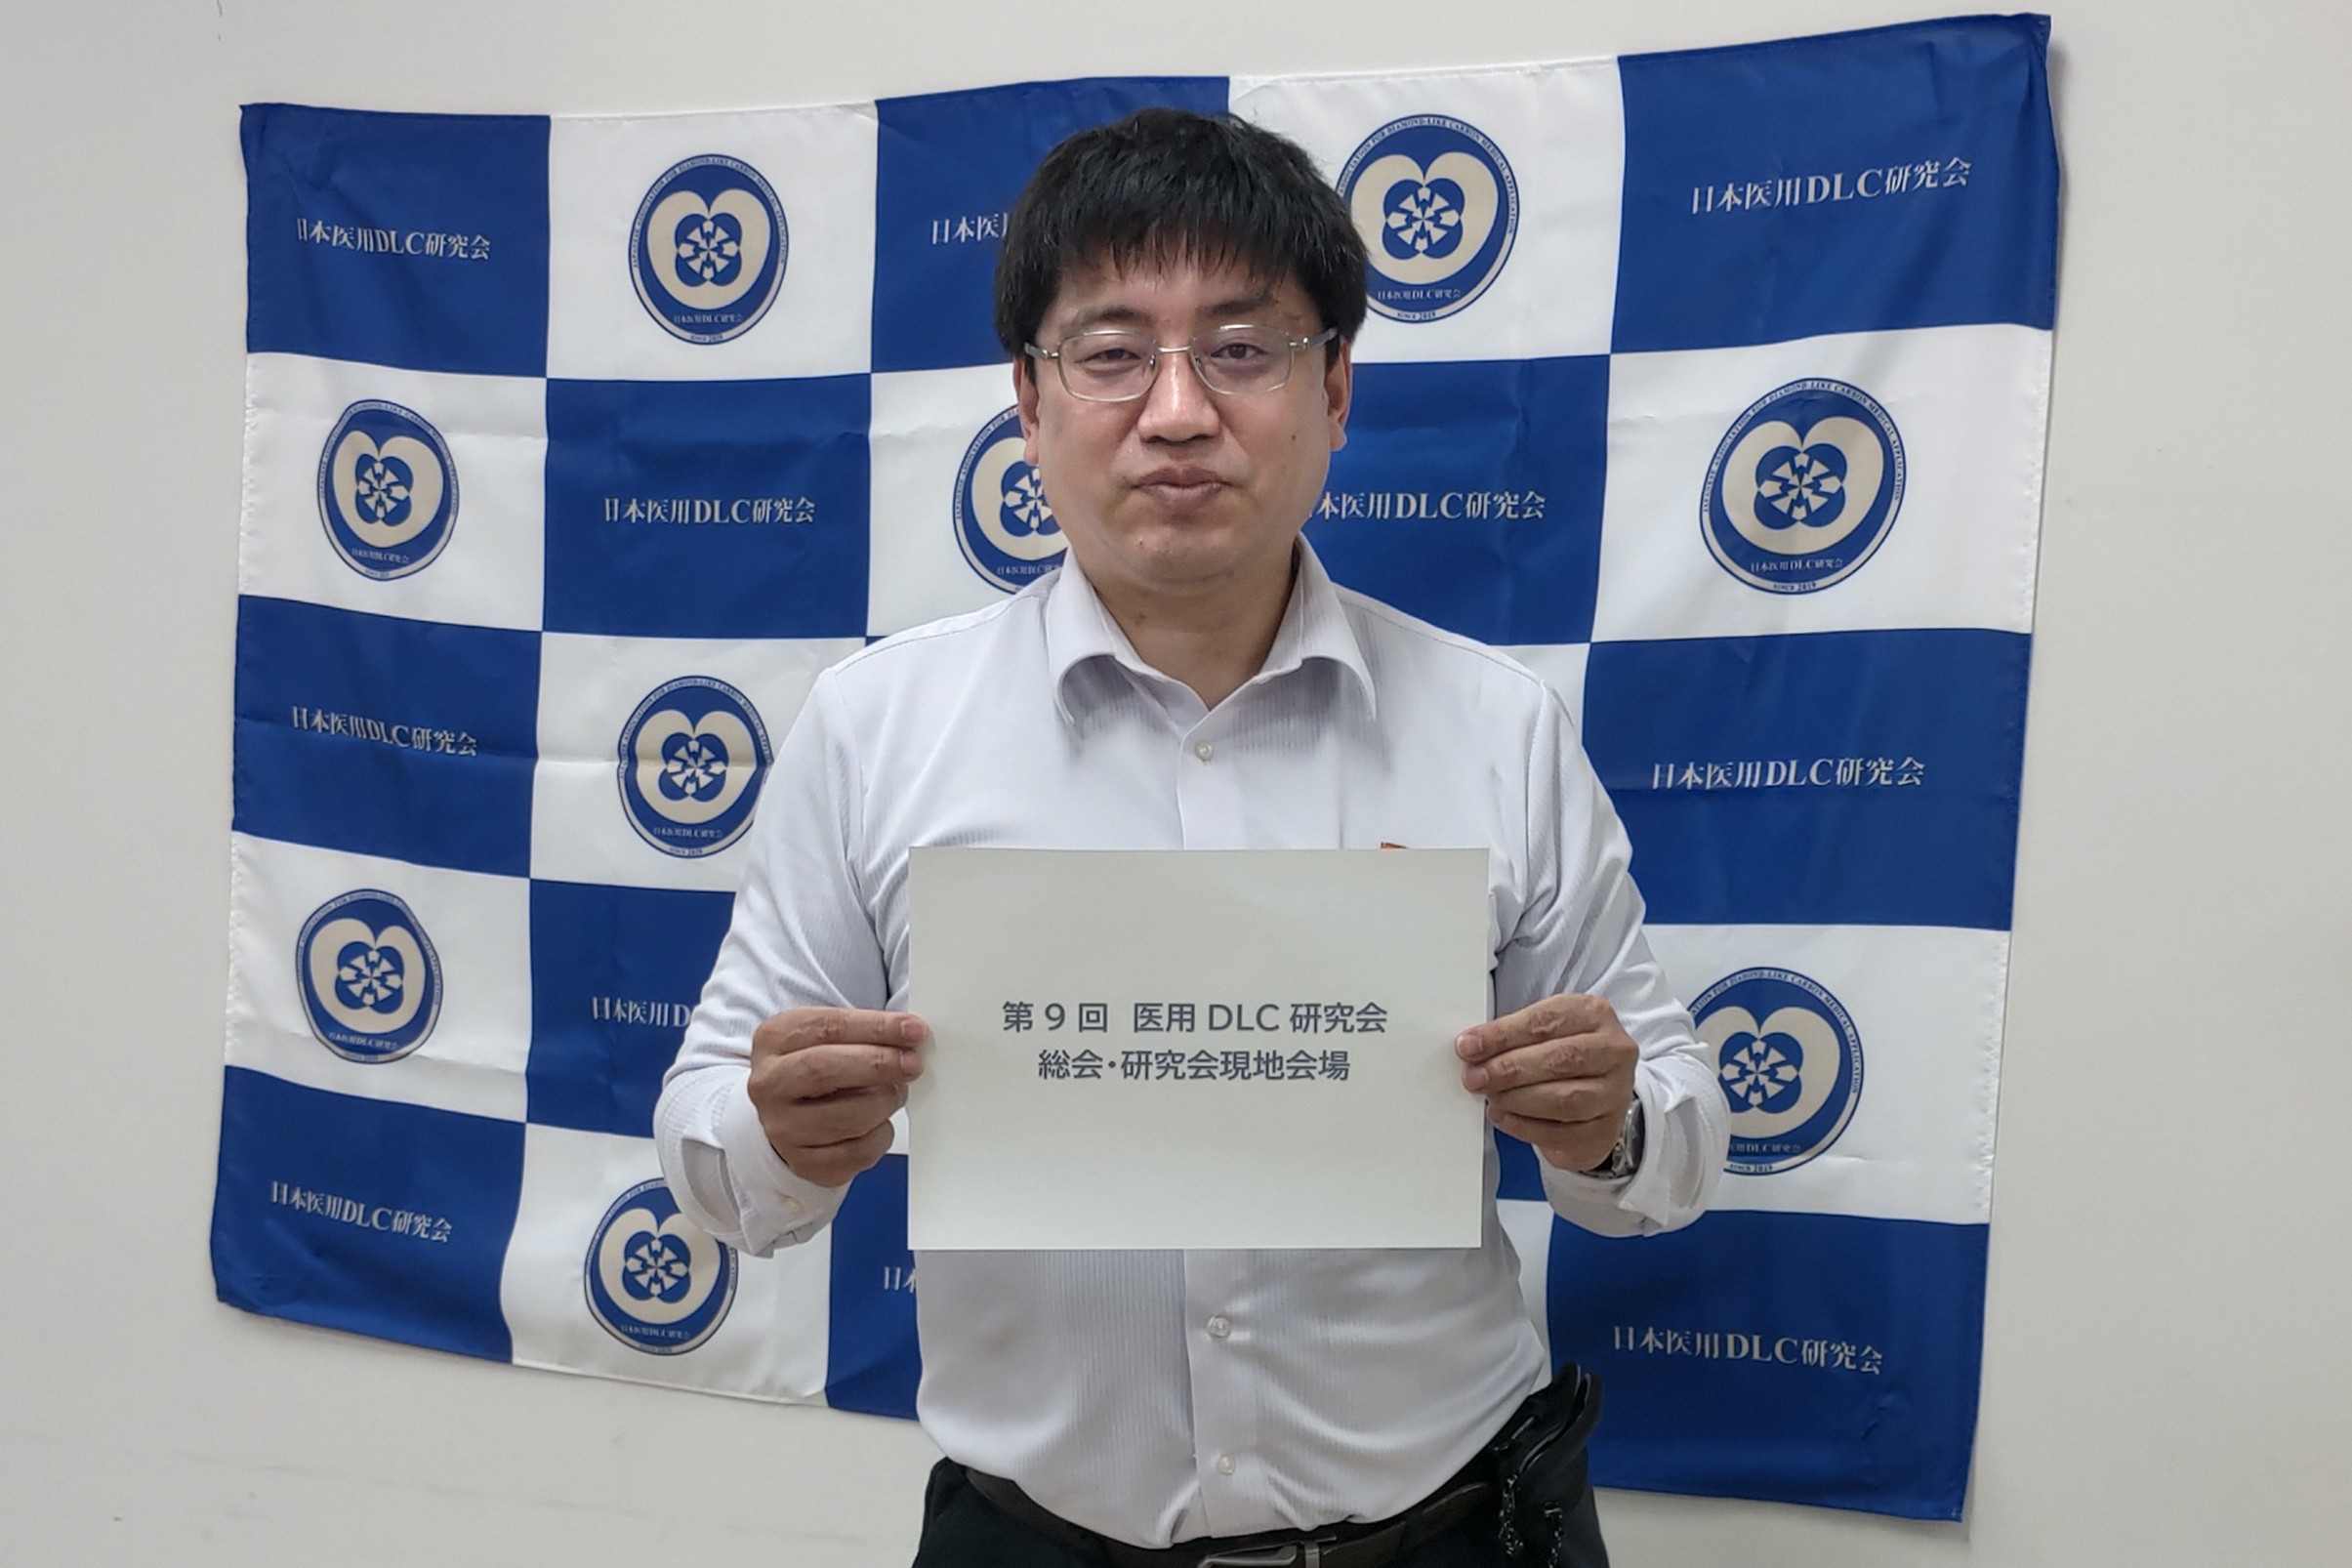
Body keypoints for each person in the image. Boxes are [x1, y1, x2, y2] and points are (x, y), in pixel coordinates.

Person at [656, 107, 1728, 1568]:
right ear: (1027, 400)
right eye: (1109, 353)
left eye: (1241, 348)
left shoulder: (1499, 729)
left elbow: (1674, 1148)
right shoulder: (873, 730)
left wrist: (1609, 1122)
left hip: (1449, 1536)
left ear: (1334, 388)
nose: (1175, 411)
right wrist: (777, 1136)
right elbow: (712, 1162)